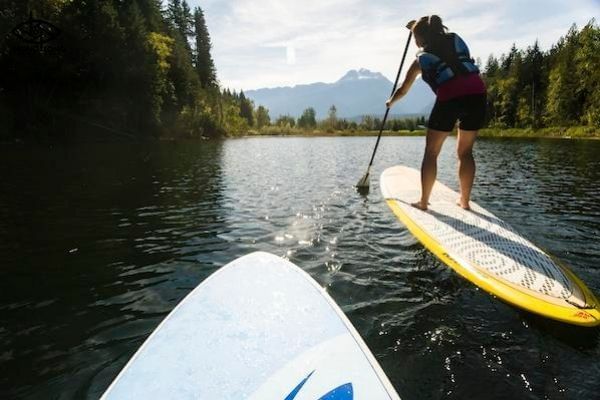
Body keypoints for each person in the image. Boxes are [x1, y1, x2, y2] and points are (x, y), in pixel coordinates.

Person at [386, 15, 487, 211]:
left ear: (420, 39)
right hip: (477, 94)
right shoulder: (454, 40)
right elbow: (444, 49)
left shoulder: (420, 61)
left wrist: (390, 102)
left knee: (431, 153)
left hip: (450, 98)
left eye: (416, 39)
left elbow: (404, 89)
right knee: (465, 153)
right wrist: (415, 29)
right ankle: (465, 202)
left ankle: (423, 202)